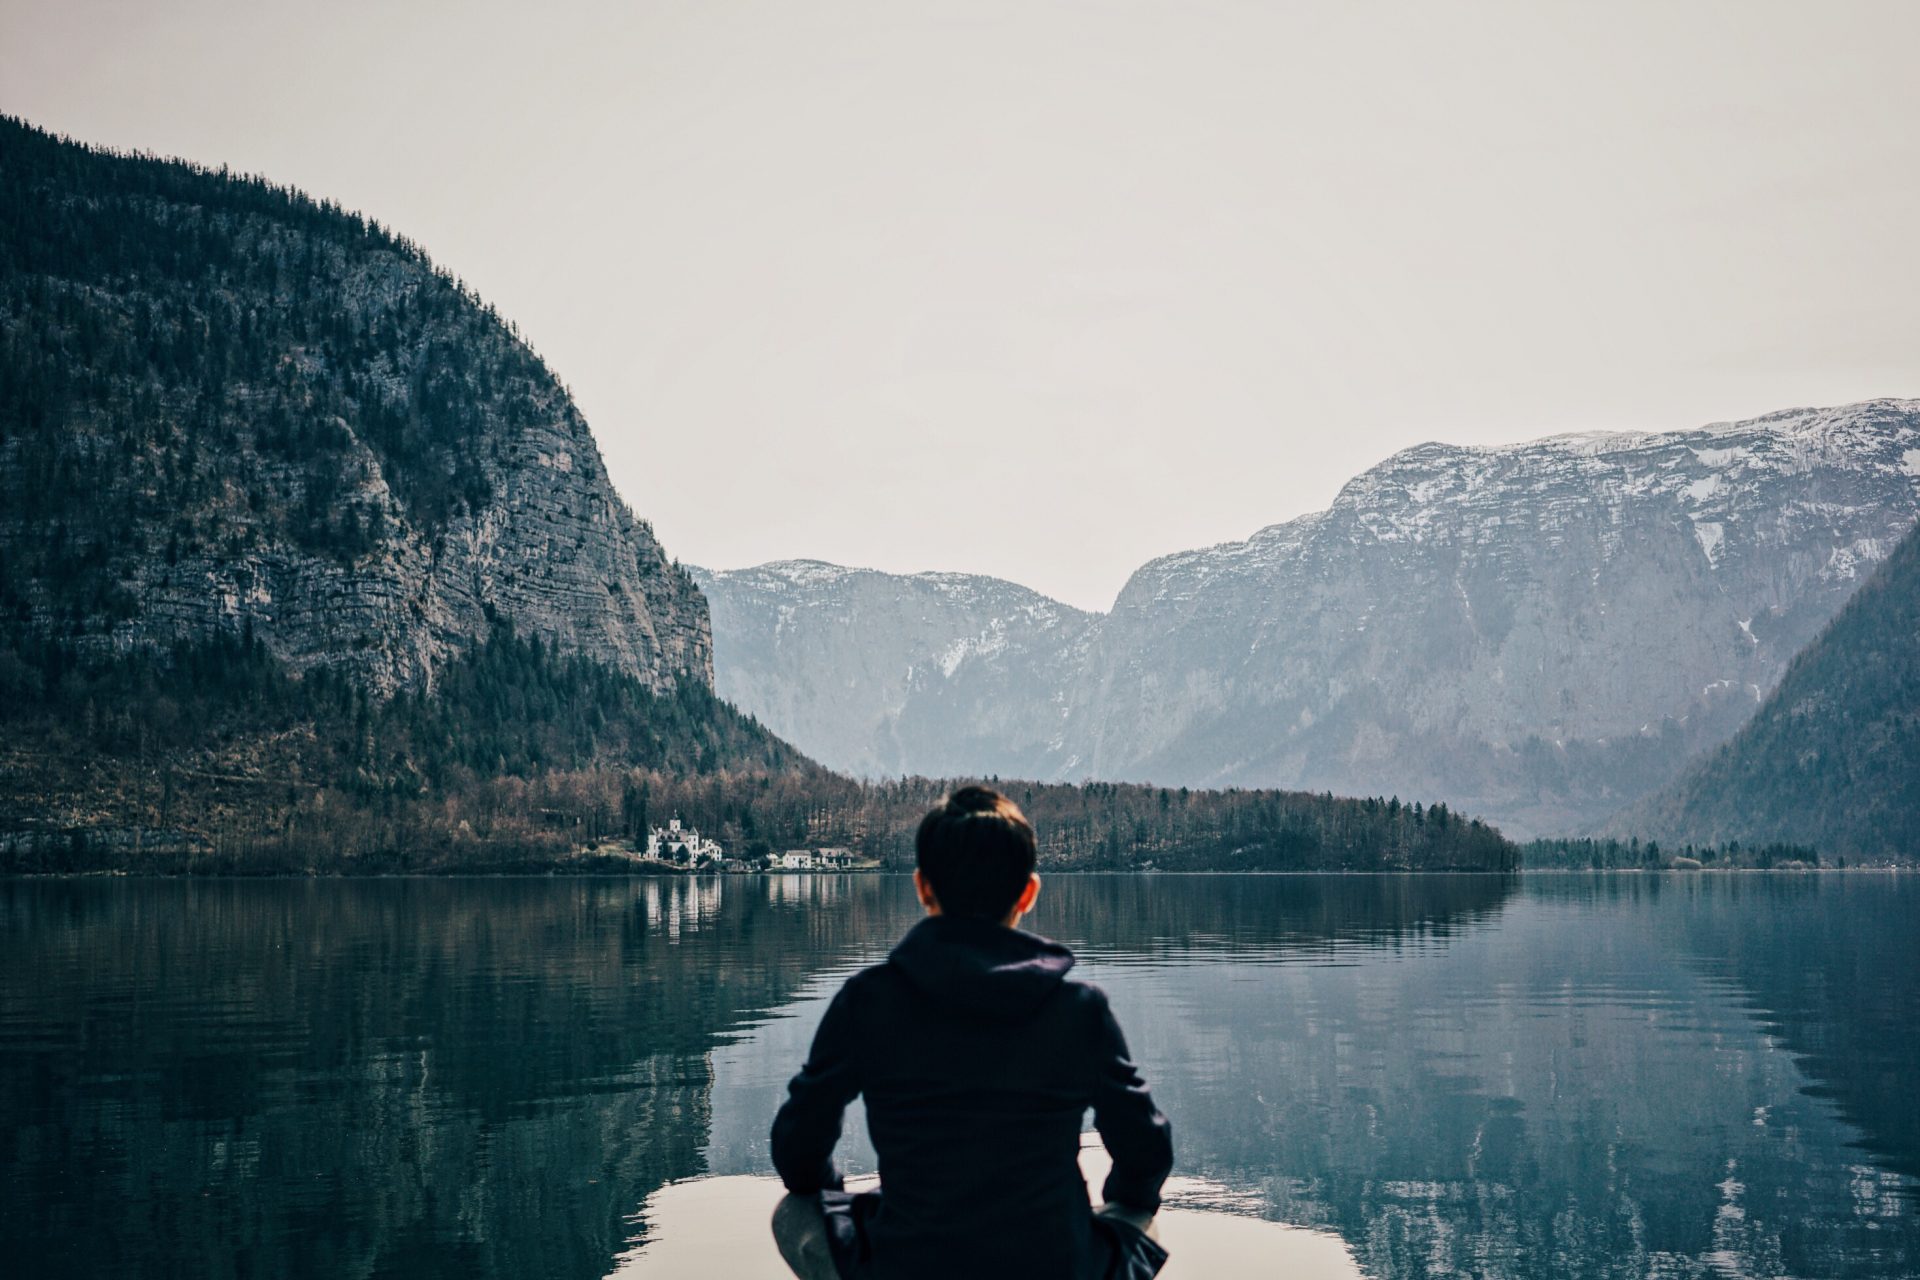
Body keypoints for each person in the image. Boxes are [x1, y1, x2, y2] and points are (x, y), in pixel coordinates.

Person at [769, 786, 1173, 1280]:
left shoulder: (869, 1001)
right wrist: (1099, 1222)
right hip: (1056, 1267)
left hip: (907, 1267)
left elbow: (797, 1149)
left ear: (922, 887)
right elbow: (1148, 1150)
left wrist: (841, 1198)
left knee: (792, 1211)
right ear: (1028, 892)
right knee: (1139, 1222)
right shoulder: (1079, 1010)